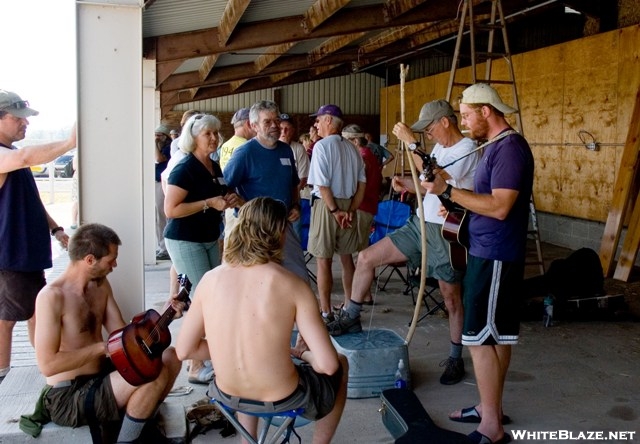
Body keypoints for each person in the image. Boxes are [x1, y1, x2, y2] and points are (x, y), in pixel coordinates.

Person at [327, 100, 480, 386]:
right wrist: (407, 184)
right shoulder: (439, 148)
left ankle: (456, 356)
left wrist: (412, 145)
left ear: (446, 121)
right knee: (367, 257)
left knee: (451, 297)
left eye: (431, 127)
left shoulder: (466, 149)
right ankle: (351, 314)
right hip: (420, 223)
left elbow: (437, 176)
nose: (429, 134)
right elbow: (428, 184)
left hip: (446, 230)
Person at [175, 197, 348, 444]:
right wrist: (301, 355)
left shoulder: (210, 280)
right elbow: (328, 365)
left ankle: (248, 440)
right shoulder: (292, 285)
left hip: (227, 394)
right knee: (342, 363)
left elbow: (185, 350)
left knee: (249, 367)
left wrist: (228, 351)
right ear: (278, 233)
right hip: (282, 397)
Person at [422, 84, 534, 444]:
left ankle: (491, 427)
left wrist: (448, 193)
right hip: (489, 248)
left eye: (468, 115)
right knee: (497, 335)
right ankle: (491, 408)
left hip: (496, 253)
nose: (465, 122)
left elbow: (501, 207)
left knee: (478, 339)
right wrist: (456, 207)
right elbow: (485, 199)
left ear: (487, 111)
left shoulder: (510, 149)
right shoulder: (495, 147)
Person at [33, 223, 183, 443]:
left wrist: (163, 314)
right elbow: (47, 364)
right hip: (68, 395)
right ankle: (130, 439)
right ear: (90, 260)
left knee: (170, 357)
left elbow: (122, 333)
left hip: (102, 377)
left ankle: (137, 424)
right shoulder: (51, 297)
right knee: (152, 377)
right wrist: (101, 348)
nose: (115, 264)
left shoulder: (101, 286)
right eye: (111, 259)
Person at [0, 90, 76, 383]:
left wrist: (55, 229)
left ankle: (48, 370)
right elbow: (26, 155)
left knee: (36, 313)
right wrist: (70, 143)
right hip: (10, 256)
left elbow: (31, 200)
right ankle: (4, 379)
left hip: (27, 254)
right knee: (6, 319)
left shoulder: (12, 158)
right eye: (18, 118)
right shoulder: (9, 156)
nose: (25, 125)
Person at [164, 113, 242, 384]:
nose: (213, 138)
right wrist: (208, 203)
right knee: (205, 299)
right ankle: (196, 365)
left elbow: (222, 193)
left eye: (215, 133)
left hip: (208, 237)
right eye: (207, 133)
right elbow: (171, 209)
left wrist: (230, 198)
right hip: (185, 239)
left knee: (212, 295)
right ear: (193, 138)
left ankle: (203, 358)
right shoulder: (184, 168)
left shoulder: (214, 165)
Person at [224, 100, 309, 282]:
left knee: (299, 277)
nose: (274, 126)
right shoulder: (245, 153)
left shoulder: (285, 150)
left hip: (282, 226)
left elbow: (294, 184)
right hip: (255, 229)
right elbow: (226, 187)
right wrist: (241, 204)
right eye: (267, 122)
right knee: (258, 281)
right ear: (254, 126)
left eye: (276, 121)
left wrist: (295, 205)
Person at [306, 104, 366, 319]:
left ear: (329, 120)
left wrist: (334, 211)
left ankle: (326, 311)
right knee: (347, 258)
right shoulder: (352, 148)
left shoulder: (321, 147)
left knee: (323, 260)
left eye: (319, 120)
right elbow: (362, 186)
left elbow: (322, 185)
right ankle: (350, 307)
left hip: (327, 206)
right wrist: (350, 209)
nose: (316, 124)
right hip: (349, 205)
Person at [340, 124, 383, 307]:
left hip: (361, 207)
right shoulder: (369, 156)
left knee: (356, 254)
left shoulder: (363, 158)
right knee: (362, 251)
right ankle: (364, 295)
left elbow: (357, 186)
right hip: (368, 207)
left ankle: (352, 299)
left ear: (355, 141)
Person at [218, 107, 255, 247]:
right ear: (248, 124)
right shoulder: (247, 147)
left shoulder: (225, 145)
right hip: (242, 203)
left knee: (230, 240)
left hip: (229, 201)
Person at [280, 113, 310, 240]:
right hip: (274, 204)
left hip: (293, 203)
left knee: (295, 239)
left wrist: (292, 201)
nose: (284, 132)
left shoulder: (298, 149)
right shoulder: (269, 148)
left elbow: (303, 178)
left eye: (287, 129)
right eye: (281, 128)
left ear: (292, 131)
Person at [154, 124, 172, 261]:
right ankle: (161, 245)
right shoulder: (158, 147)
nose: (156, 137)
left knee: (162, 215)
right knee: (157, 216)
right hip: (155, 183)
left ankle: (165, 248)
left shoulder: (168, 147)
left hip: (162, 183)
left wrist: (154, 143)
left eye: (159, 135)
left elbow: (159, 159)